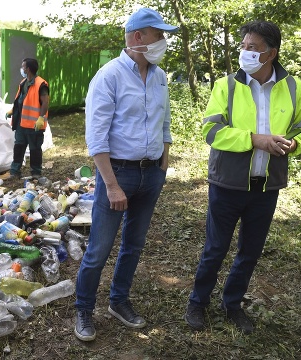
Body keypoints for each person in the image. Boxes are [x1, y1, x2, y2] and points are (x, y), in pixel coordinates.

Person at [184, 20, 301, 334]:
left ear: (271, 53)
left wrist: (294, 144)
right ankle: (198, 302)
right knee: (215, 248)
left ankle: (232, 303)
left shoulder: (293, 87)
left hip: (267, 187)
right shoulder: (226, 86)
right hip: (228, 184)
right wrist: (254, 139)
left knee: (250, 251)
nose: (244, 52)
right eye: (243, 46)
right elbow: (211, 132)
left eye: (252, 48)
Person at [74, 8, 178, 342]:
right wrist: (112, 185)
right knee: (99, 250)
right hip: (118, 175)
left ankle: (118, 302)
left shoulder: (160, 75)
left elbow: (164, 122)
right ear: (137, 37)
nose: (163, 41)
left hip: (151, 176)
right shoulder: (109, 76)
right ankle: (84, 310)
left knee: (133, 246)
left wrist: (164, 162)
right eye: (157, 35)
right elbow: (97, 138)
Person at [5, 58, 49, 179]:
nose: (22, 69)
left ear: (28, 69)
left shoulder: (41, 84)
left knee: (35, 149)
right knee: (18, 147)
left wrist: (41, 118)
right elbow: (21, 100)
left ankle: (36, 172)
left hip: (35, 125)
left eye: (23, 66)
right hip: (21, 124)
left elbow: (45, 102)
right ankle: (14, 171)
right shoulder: (23, 83)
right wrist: (13, 111)